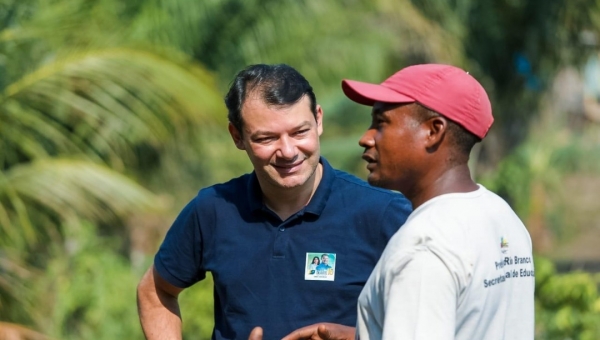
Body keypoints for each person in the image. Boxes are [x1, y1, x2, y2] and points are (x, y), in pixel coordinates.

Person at [136, 63, 412, 340]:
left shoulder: (384, 214)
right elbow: (155, 291)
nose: (288, 151)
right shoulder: (213, 209)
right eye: (267, 138)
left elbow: (432, 319)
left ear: (318, 120)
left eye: (299, 132)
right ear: (237, 136)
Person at [279, 64, 535, 340]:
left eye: (381, 123)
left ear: (433, 131)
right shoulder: (501, 217)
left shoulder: (423, 246)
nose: (365, 138)